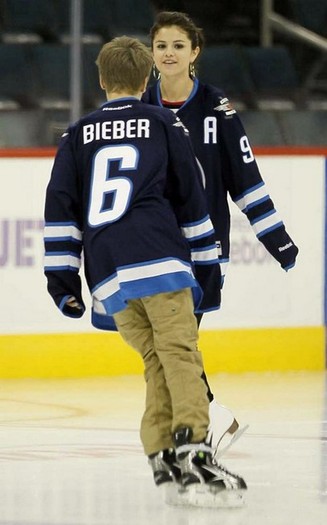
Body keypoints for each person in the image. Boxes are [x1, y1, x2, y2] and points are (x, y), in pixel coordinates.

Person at [43, 35, 246, 507]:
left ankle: (162, 454)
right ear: (146, 78)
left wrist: (62, 283)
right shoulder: (162, 121)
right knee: (179, 351)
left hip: (108, 274)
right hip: (157, 257)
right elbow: (191, 198)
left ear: (100, 80)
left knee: (156, 358)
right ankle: (194, 447)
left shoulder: (75, 136)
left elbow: (60, 210)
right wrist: (208, 263)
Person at [142, 9, 299, 450]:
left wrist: (279, 241)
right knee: (168, 343)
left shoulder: (216, 107)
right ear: (151, 53)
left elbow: (244, 181)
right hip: (154, 248)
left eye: (178, 45)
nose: (169, 53)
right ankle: (210, 418)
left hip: (204, 250)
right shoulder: (142, 108)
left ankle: (203, 423)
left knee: (175, 342)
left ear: (195, 51)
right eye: (161, 46)